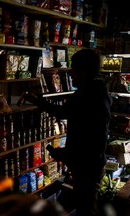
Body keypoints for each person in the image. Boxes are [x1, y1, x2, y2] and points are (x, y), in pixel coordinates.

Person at [36, 49, 112, 216]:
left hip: (88, 167)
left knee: (87, 209)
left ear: (83, 71)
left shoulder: (90, 96)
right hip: (88, 164)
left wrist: (71, 156)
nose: (70, 73)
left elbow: (94, 140)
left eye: (73, 68)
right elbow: (70, 117)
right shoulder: (92, 93)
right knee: (85, 206)